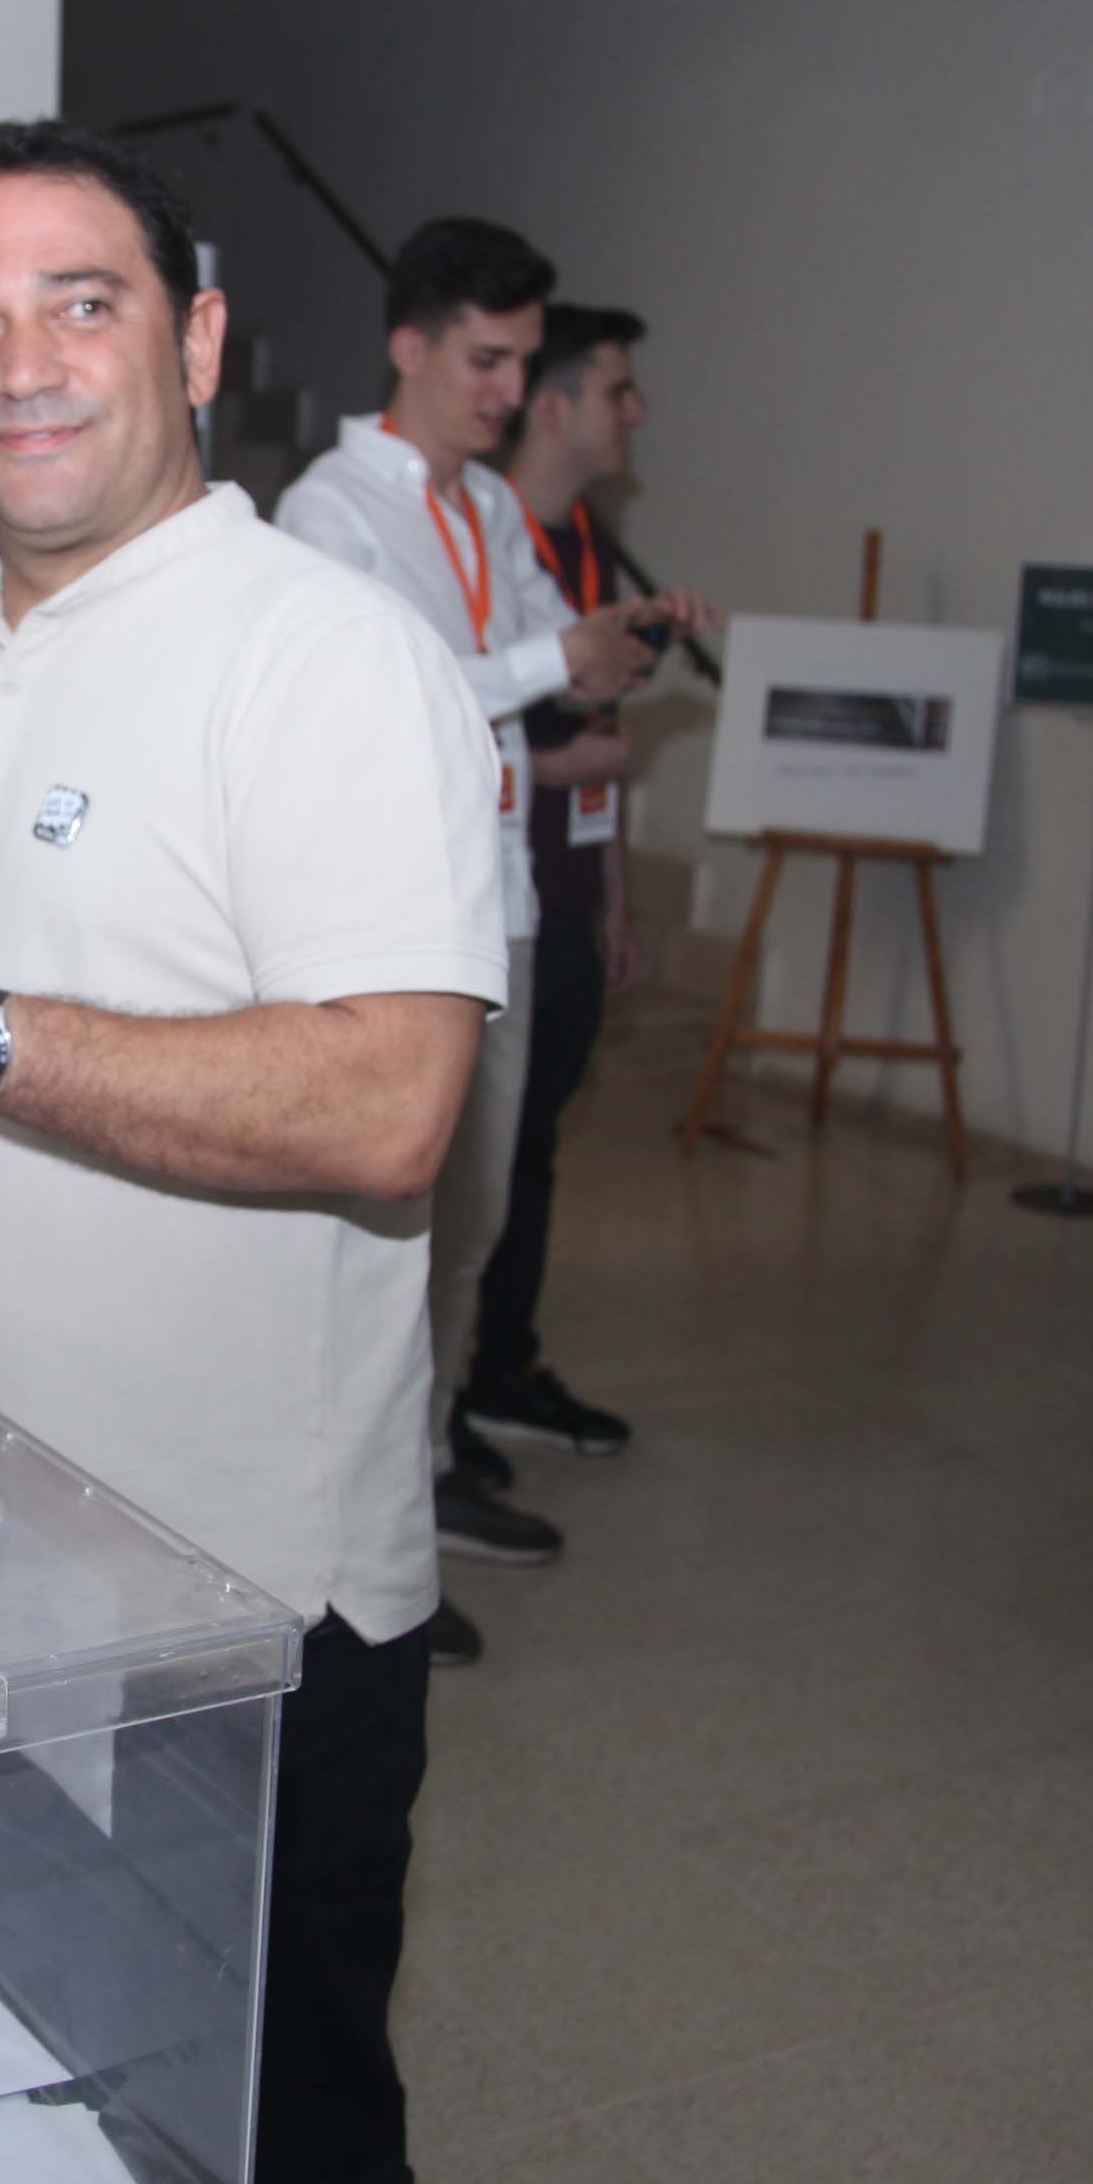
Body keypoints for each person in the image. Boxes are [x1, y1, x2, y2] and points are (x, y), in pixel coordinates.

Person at [0, 121, 668, 2184]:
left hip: (238, 1607)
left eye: (81, 301)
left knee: (281, 2174)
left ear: (199, 337)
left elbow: (391, 1102)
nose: (20, 363)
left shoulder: (320, 656)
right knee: (14, 2106)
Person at [275, 225, 707, 1585]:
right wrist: (545, 655)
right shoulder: (331, 514)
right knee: (380, 1243)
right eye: (487, 359)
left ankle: (425, 1476)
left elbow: (542, 680)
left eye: (526, 364)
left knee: (475, 1225)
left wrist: (612, 660)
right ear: (408, 347)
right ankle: (344, 1532)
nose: (511, 391)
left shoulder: (493, 512)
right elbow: (380, 702)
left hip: (500, 902)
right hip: (384, 925)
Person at [468, 303, 656, 1466]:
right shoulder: (487, 538)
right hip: (492, 900)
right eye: (618, 391)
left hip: (566, 899)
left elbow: (601, 730)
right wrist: (557, 757)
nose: (635, 413)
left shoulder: (583, 546)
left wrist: (617, 899)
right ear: (554, 402)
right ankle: (458, 1400)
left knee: (528, 1155)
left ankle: (501, 1366)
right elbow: (441, 709)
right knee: (486, 1164)